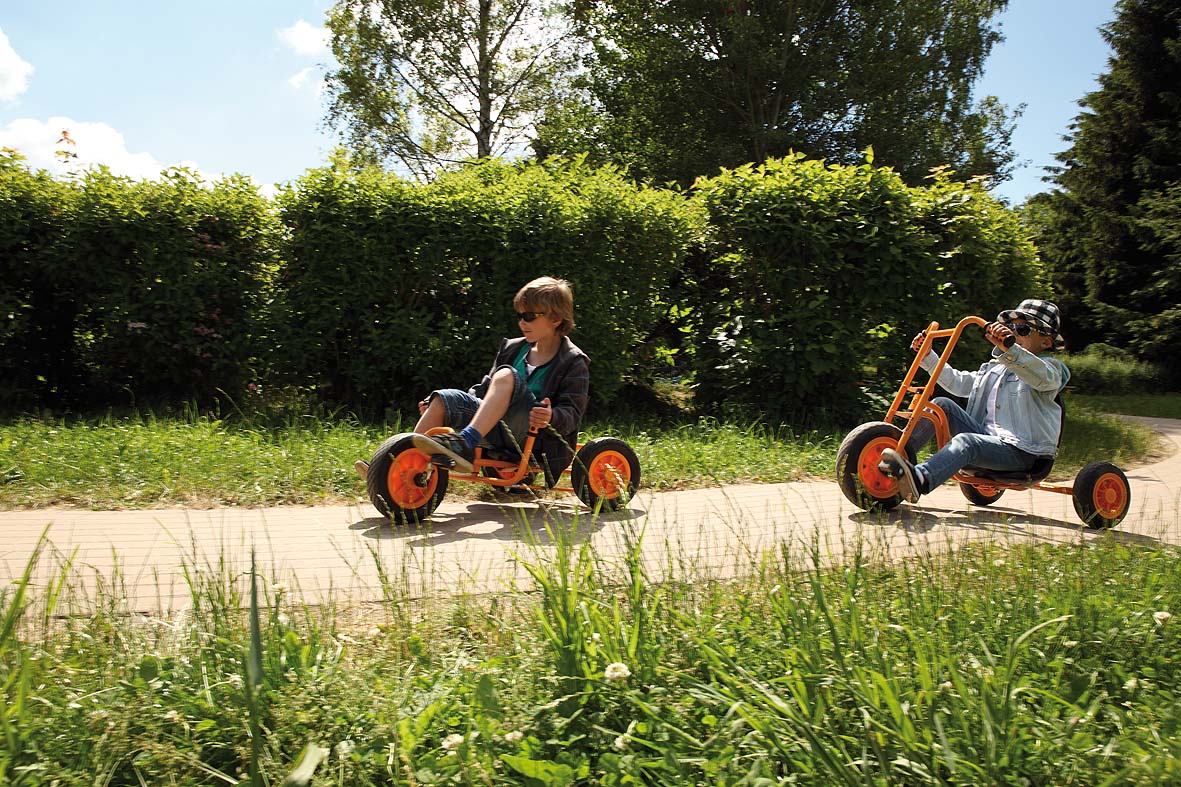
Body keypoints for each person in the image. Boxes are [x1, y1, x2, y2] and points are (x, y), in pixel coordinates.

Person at [879, 299, 1070, 504]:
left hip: (1022, 453)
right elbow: (957, 383)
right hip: (989, 442)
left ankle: (920, 480)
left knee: (967, 442)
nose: (1014, 333)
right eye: (1011, 328)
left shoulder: (1051, 370)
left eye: (1023, 329)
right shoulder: (994, 369)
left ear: (1046, 342)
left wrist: (1010, 351)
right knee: (941, 405)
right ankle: (898, 457)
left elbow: (1039, 376)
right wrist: (927, 356)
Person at [407, 276, 589, 484]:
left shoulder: (573, 361)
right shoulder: (512, 348)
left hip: (536, 437)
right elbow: (485, 392)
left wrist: (551, 416)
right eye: (520, 315)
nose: (522, 322)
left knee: (506, 375)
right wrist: (447, 408)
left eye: (529, 316)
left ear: (555, 319)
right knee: (442, 399)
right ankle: (401, 463)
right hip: (497, 429)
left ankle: (466, 442)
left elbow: (573, 413)